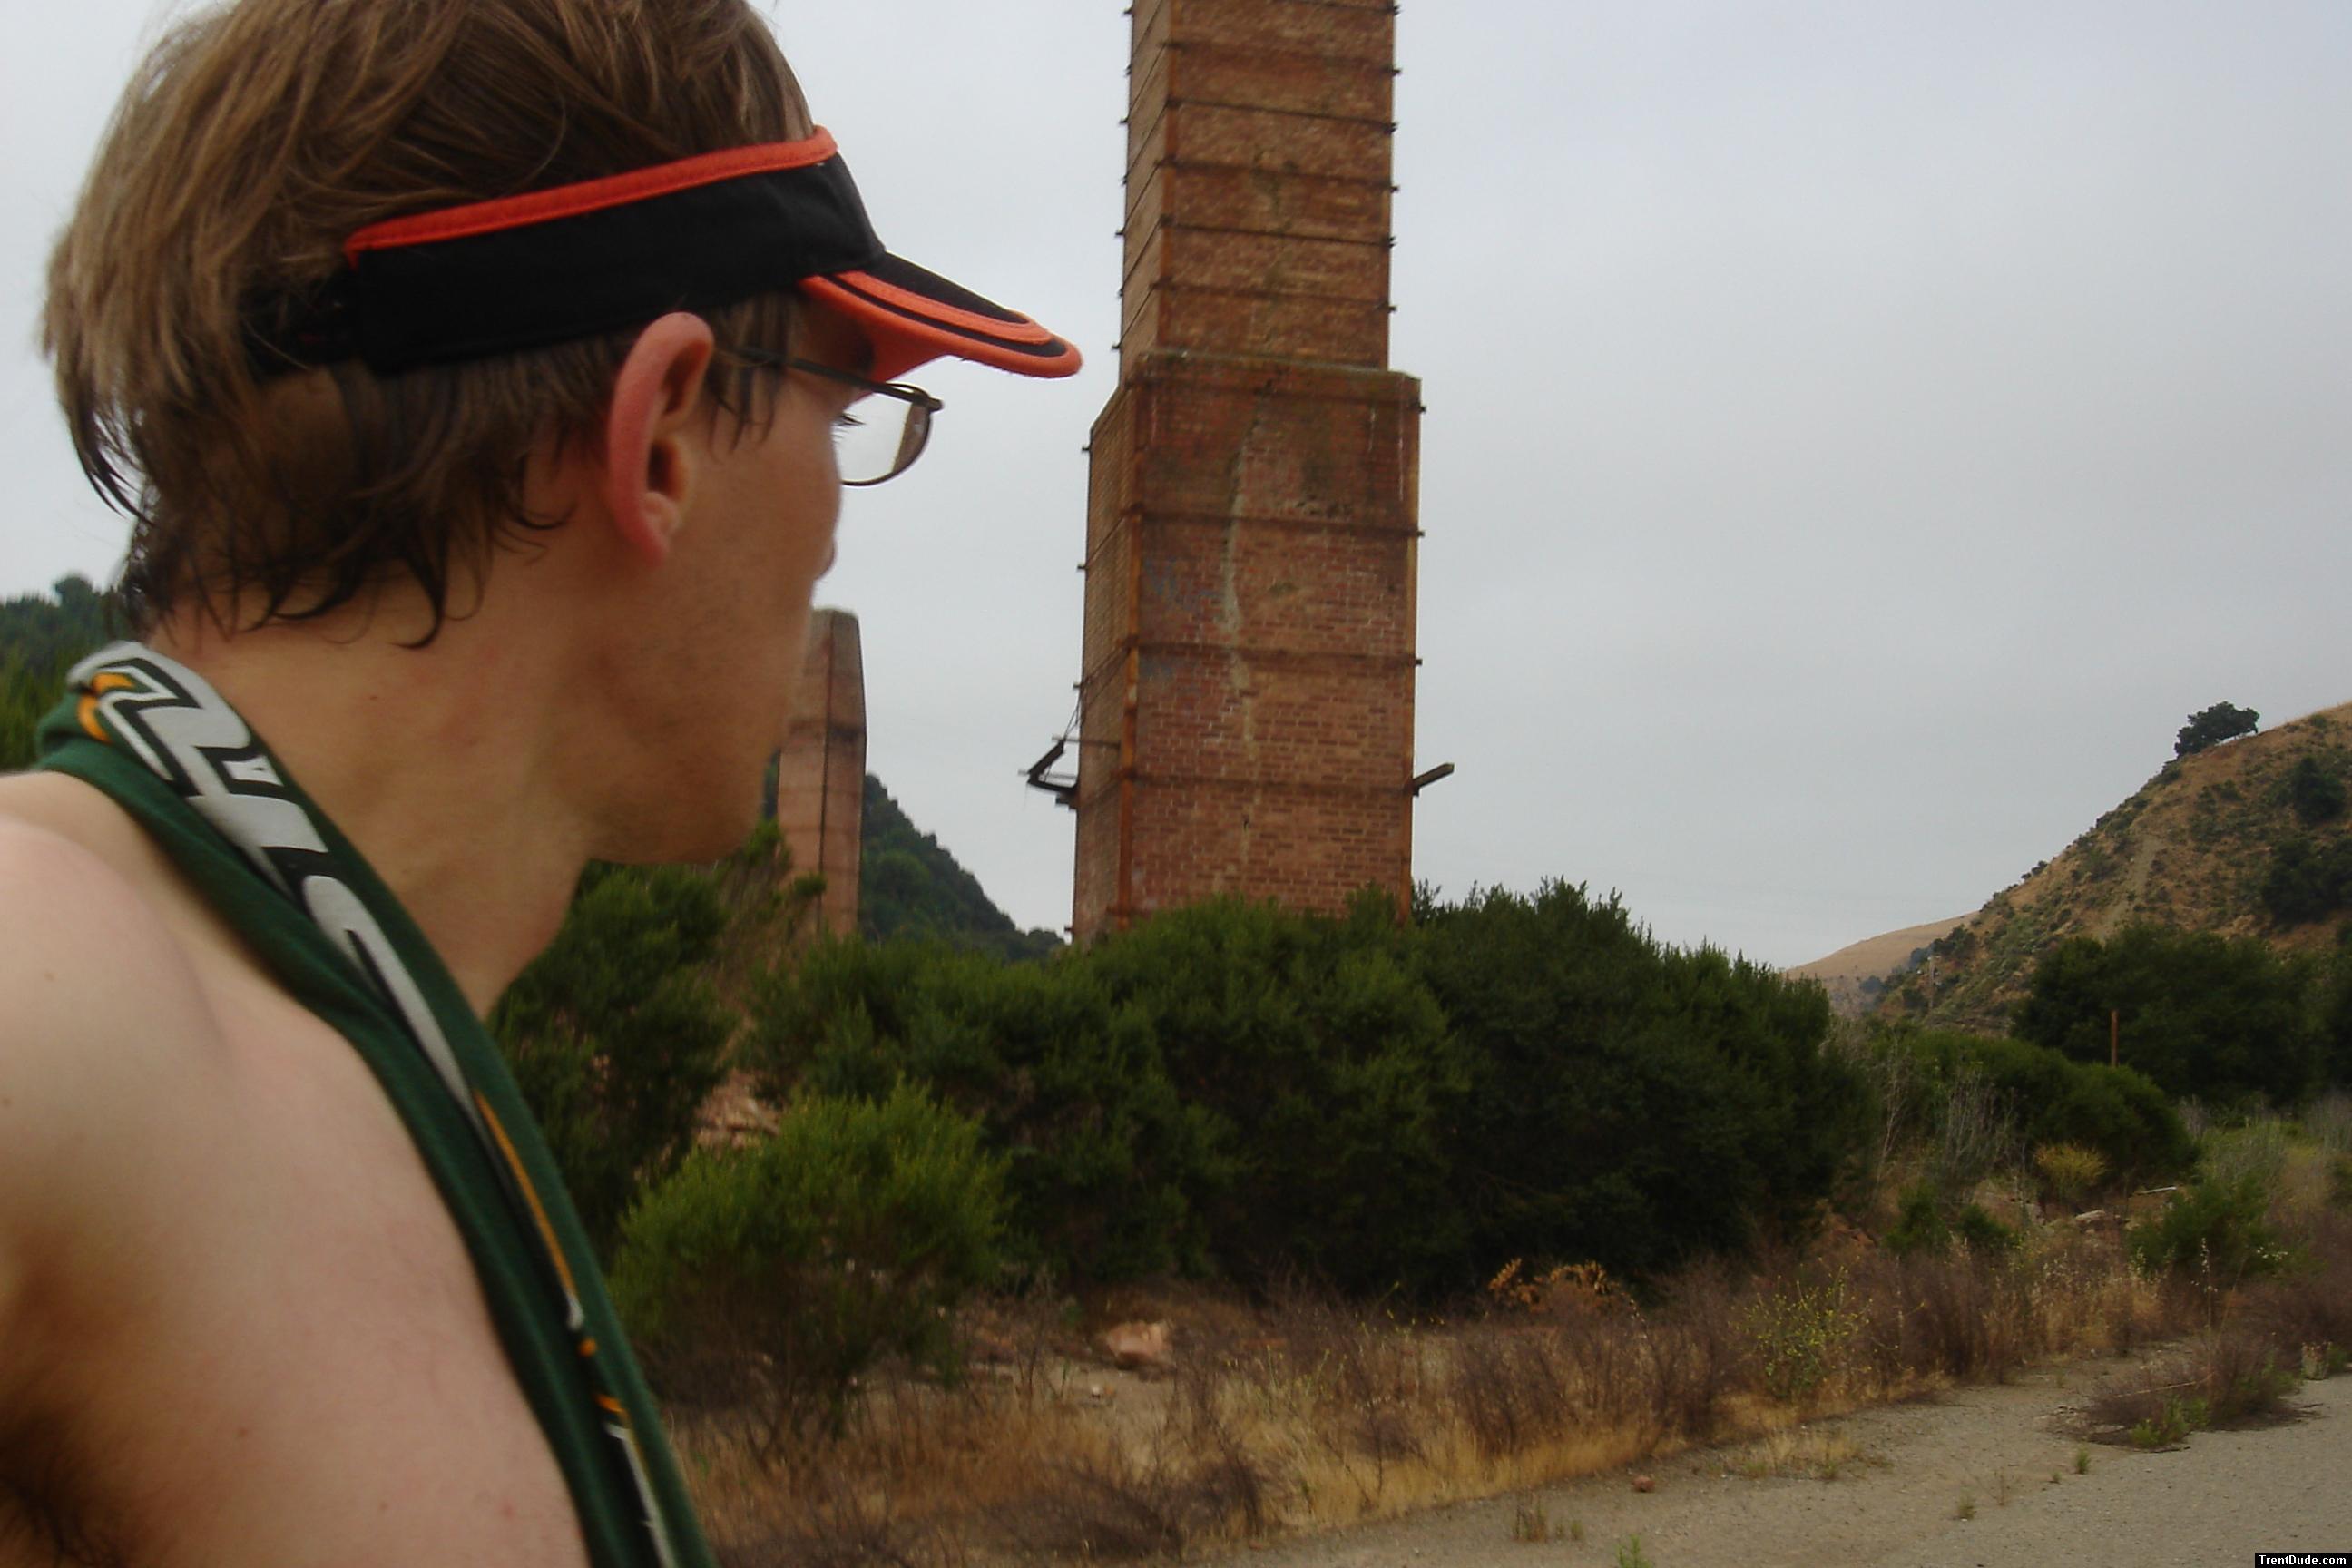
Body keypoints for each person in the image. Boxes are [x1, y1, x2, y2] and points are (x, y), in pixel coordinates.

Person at [0, 0, 1076, 1563]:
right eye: (848, 412)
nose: (839, 525)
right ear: (662, 439)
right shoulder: (64, 999)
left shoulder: (330, 1038)